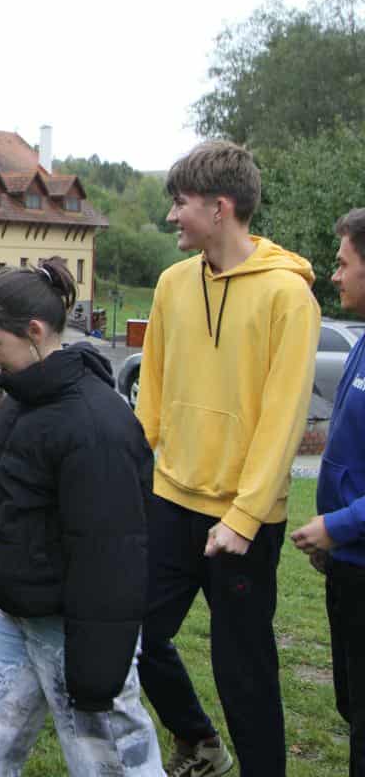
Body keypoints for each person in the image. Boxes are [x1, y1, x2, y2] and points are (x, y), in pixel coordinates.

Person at [135, 141, 320, 777]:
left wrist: (243, 517)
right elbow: (151, 395)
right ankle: (198, 741)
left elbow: (283, 417)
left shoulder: (288, 295)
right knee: (134, 637)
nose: (171, 216)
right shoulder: (171, 283)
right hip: (169, 501)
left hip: (245, 523)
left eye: (180, 202)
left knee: (243, 671)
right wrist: (130, 473)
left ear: (220, 208)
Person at [0, 259, 162, 776]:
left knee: (110, 765)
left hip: (77, 632)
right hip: (16, 616)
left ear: (35, 333)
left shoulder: (96, 427)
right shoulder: (23, 399)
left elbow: (111, 557)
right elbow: (1, 506)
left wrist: (97, 671)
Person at [291, 207, 365, 777]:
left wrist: (336, 526)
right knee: (352, 705)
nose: (334, 274)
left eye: (343, 262)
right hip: (348, 562)